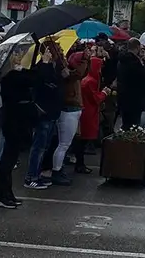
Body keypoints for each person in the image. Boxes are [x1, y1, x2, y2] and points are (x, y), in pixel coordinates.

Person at [0, 54, 35, 208]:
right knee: (8, 159)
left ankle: (7, 193)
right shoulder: (9, 77)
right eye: (16, 56)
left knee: (11, 159)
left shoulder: (14, 75)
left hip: (16, 120)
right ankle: (0, 195)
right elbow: (31, 80)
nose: (19, 58)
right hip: (12, 121)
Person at [25, 43, 63, 189]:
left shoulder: (54, 67)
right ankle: (31, 177)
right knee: (39, 147)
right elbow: (46, 83)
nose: (60, 51)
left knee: (45, 146)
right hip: (44, 111)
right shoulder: (41, 67)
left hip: (52, 111)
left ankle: (37, 173)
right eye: (57, 49)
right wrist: (46, 63)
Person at [49, 51, 88, 186]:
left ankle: (58, 169)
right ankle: (56, 170)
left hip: (71, 107)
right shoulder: (64, 73)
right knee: (64, 144)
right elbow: (79, 74)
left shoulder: (65, 71)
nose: (63, 54)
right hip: (69, 107)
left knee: (64, 143)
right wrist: (85, 59)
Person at [75, 55, 109, 174]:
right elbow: (96, 98)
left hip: (88, 111)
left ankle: (80, 163)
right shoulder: (90, 81)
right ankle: (80, 164)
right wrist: (104, 93)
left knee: (82, 140)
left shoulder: (88, 80)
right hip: (88, 113)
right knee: (83, 140)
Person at [116, 39, 145, 131]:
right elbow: (144, 77)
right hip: (134, 96)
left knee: (126, 121)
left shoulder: (121, 60)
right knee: (133, 124)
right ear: (138, 47)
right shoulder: (134, 62)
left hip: (123, 94)